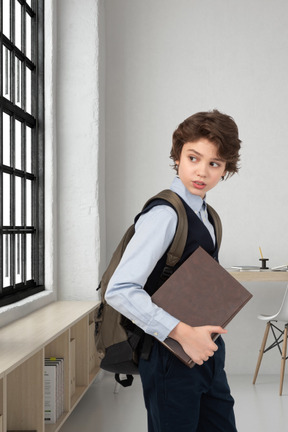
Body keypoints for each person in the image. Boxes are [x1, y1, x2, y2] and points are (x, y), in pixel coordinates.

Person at [105, 109, 241, 432]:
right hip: (169, 356)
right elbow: (119, 290)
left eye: (214, 164)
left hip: (205, 355)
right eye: (193, 157)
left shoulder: (209, 216)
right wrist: (181, 333)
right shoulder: (165, 214)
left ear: (225, 170)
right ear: (177, 155)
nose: (202, 171)